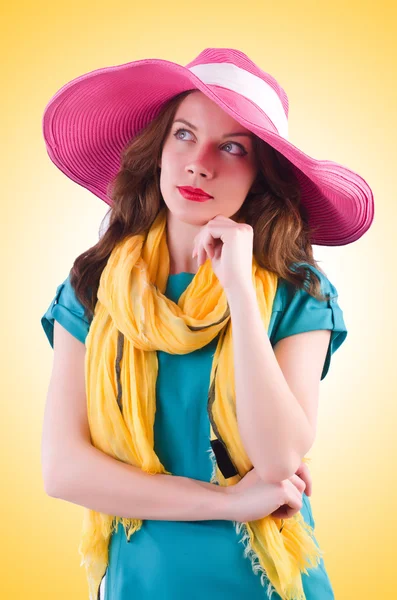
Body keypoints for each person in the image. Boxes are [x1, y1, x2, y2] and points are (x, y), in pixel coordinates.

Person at [40, 48, 374, 600]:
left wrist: (242, 293)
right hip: (143, 582)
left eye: (232, 147)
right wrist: (227, 503)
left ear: (260, 176)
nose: (200, 163)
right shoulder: (91, 289)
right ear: (158, 150)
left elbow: (279, 457)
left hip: (268, 584)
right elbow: (64, 471)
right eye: (184, 134)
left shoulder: (296, 292)